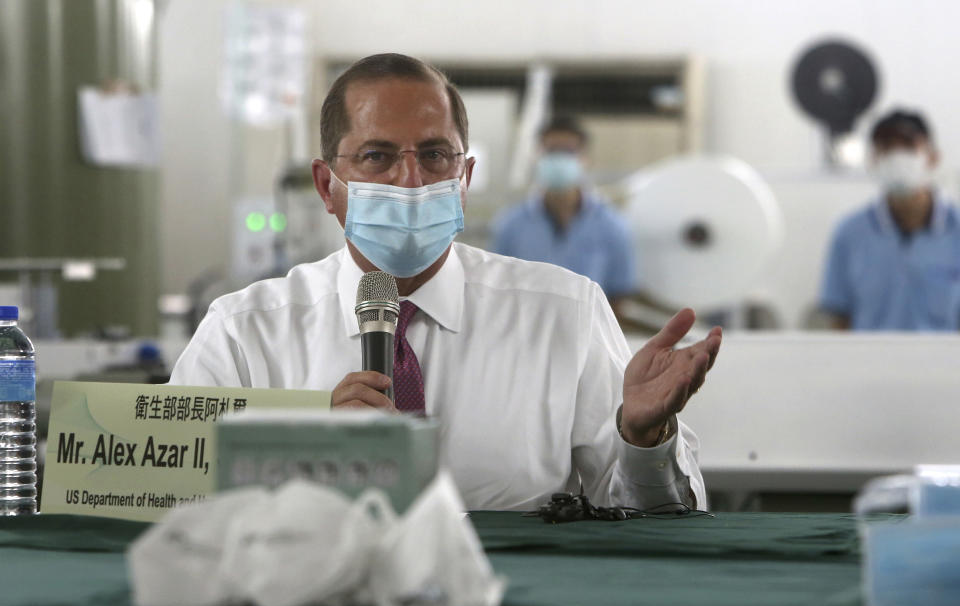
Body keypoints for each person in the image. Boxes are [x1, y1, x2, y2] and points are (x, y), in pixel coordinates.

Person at [169, 53, 722, 511]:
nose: (410, 181)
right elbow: (171, 499)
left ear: (465, 178)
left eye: (434, 155)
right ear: (325, 185)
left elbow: (662, 520)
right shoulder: (245, 332)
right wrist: (299, 456)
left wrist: (645, 441)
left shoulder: (564, 313)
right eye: (377, 156)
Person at [820, 109, 960, 331]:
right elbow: (839, 320)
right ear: (873, 160)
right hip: (869, 363)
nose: (897, 157)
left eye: (907, 147)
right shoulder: (849, 234)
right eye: (886, 148)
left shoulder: (956, 229)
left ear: (933, 157)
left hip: (945, 364)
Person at [490, 114, 636, 319]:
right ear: (538, 157)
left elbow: (619, 298)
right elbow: (497, 291)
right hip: (527, 338)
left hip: (590, 340)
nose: (558, 159)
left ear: (585, 159)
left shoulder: (612, 226)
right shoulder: (511, 225)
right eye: (551, 151)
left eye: (567, 152)